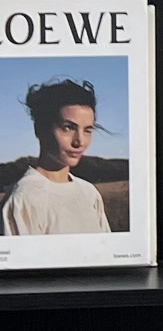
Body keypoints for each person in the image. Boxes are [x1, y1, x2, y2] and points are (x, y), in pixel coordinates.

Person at [1, 78, 112, 236]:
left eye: (87, 130)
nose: (79, 141)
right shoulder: (23, 199)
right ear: (40, 129)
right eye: (68, 128)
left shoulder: (89, 193)